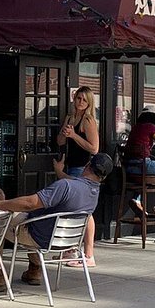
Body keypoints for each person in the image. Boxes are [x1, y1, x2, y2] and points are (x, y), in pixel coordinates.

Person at [0, 152, 113, 289]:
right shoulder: (93, 192)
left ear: (87, 165)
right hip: (64, 241)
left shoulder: (65, 186)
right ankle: (34, 269)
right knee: (26, 216)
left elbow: (30, 203)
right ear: (104, 176)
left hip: (39, 237)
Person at [55, 85, 101, 264]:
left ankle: (89, 254)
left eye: (84, 100)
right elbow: (59, 141)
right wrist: (65, 134)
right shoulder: (70, 117)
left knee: (84, 211)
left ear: (89, 103)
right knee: (68, 208)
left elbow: (94, 148)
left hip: (83, 168)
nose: (80, 102)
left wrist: (74, 135)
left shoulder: (88, 120)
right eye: (78, 98)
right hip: (69, 164)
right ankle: (71, 249)